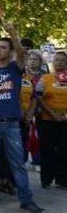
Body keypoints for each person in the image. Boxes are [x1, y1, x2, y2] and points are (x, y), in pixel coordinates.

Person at [0, 21, 45, 213]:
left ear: (10, 51)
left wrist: (13, 33)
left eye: (3, 48)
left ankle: (26, 200)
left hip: (12, 124)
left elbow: (23, 54)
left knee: (18, 164)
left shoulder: (15, 68)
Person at [32, 51, 67, 189]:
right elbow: (39, 98)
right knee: (47, 150)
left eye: (62, 60)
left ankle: (62, 179)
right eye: (57, 60)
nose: (59, 62)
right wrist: (53, 113)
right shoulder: (45, 78)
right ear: (53, 62)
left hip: (64, 120)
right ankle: (46, 179)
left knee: (64, 150)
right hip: (47, 120)